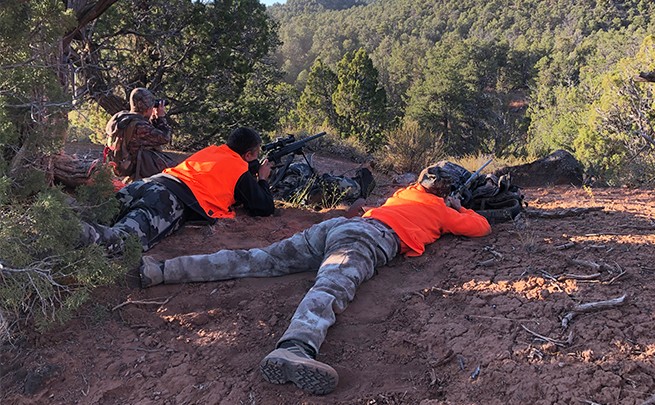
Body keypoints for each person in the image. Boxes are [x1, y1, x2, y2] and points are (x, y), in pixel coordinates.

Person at [138, 163, 492, 395]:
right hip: (368, 239)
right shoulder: (443, 211)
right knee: (331, 286)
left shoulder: (404, 194)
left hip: (339, 226)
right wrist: (460, 209)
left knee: (259, 259)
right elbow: (481, 227)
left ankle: (161, 270)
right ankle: (295, 348)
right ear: (446, 191)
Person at [81, 127, 275, 252]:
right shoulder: (239, 170)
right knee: (121, 242)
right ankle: (75, 237)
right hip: (167, 200)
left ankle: (60, 227)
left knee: (93, 215)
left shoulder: (213, 151)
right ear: (249, 154)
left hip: (146, 184)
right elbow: (264, 207)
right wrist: (263, 178)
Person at [105, 88, 173, 180]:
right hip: (139, 170)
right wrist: (160, 118)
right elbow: (164, 138)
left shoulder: (123, 119)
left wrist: (152, 117)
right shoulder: (139, 126)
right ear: (147, 109)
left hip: (125, 164)